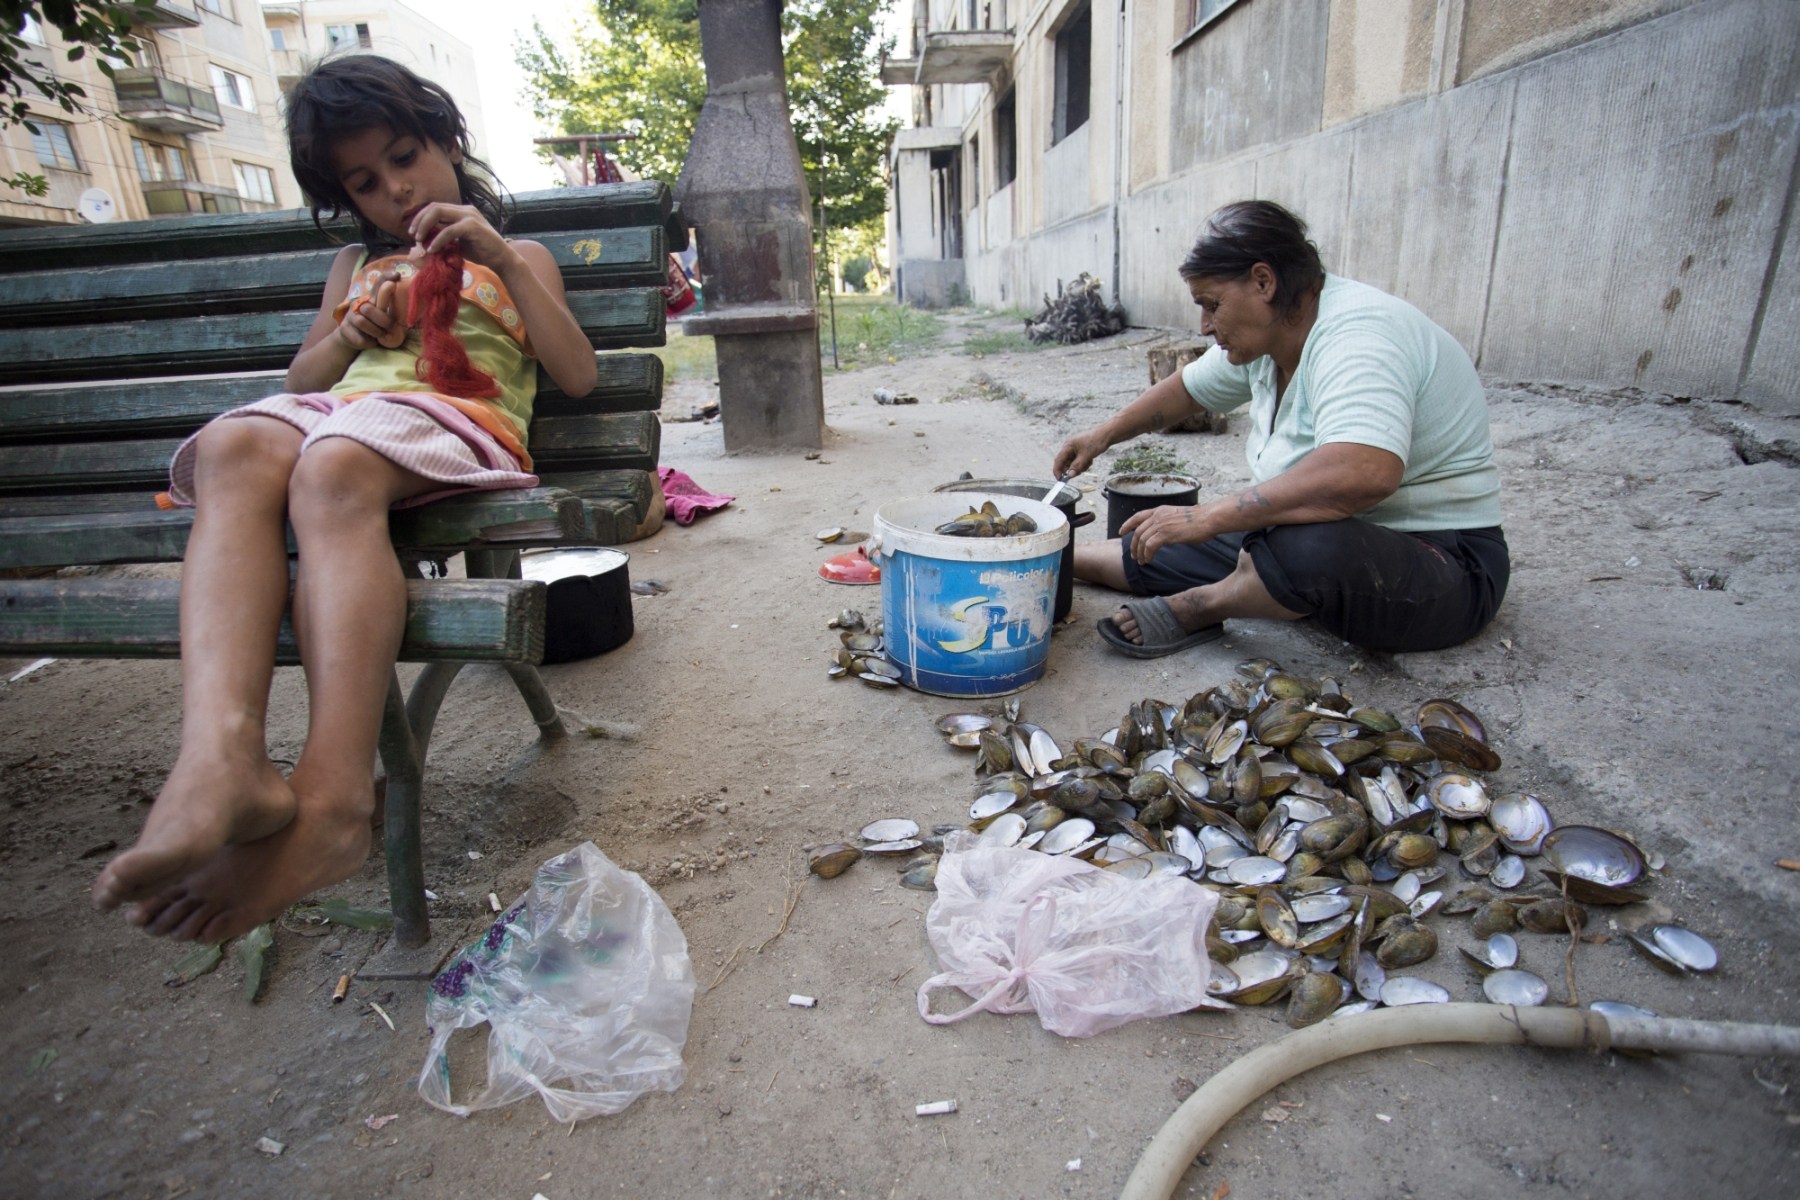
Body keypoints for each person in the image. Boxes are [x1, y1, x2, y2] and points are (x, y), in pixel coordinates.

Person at [90, 55, 597, 942]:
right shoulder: (357, 265)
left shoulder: (519, 257)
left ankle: (332, 801)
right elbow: (305, 379)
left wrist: (501, 261)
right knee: (234, 444)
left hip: (454, 420)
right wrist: (351, 333)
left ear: (447, 144)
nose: (395, 190)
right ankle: (222, 756)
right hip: (344, 417)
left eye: (405, 158)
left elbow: (577, 373)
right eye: (365, 182)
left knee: (330, 465)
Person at [1054, 200, 1508, 658]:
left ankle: (1202, 606)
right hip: (1330, 528)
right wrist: (1102, 436)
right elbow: (1188, 390)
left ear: (1263, 282)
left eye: (1212, 305)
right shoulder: (1270, 338)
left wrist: (1206, 517)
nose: (1205, 325)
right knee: (1162, 539)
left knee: (1293, 544)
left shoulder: (1357, 335)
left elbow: (1364, 471)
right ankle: (1051, 558)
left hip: (1445, 563)